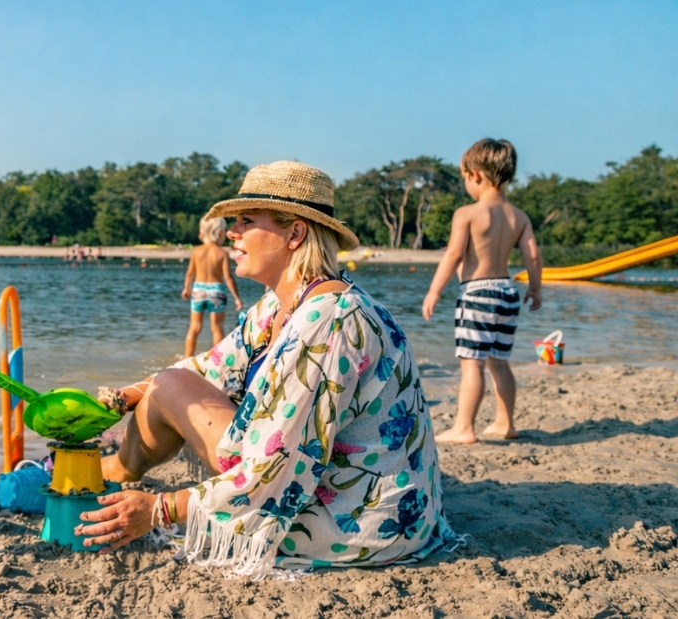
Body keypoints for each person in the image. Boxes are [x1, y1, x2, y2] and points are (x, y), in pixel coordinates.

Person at [77, 161, 454, 576]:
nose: (231, 232)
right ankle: (109, 470)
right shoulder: (284, 303)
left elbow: (280, 463)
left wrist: (162, 509)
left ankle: (103, 475)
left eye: (245, 221)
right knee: (170, 383)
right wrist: (121, 398)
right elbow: (209, 368)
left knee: (171, 387)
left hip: (365, 526)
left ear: (295, 233)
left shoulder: (328, 321)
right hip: (375, 499)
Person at [422, 139, 543, 444]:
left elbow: (453, 255)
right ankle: (505, 423)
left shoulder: (467, 214)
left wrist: (434, 291)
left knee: (472, 363)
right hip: (507, 292)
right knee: (499, 362)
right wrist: (535, 289)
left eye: (464, 178)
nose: (466, 184)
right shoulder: (519, 216)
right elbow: (533, 257)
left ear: (475, 174)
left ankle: (464, 427)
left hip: (476, 294)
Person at [181, 217, 244, 357]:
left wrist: (186, 288)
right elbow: (228, 277)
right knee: (216, 328)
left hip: (198, 289)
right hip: (216, 291)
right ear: (221, 233)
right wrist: (237, 298)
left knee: (194, 327)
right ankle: (217, 360)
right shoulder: (222, 253)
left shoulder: (197, 250)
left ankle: (186, 360)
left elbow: (190, 273)